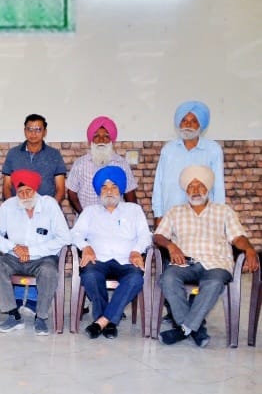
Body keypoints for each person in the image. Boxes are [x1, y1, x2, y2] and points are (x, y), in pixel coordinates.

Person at [155, 165, 258, 347]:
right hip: (185, 263)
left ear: (208, 188)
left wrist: (249, 249)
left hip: (216, 263)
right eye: (191, 186)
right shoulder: (175, 212)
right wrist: (171, 245)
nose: (195, 190)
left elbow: (238, 237)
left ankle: (184, 329)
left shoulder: (224, 211)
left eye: (200, 185)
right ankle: (195, 329)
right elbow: (158, 236)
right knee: (168, 278)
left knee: (214, 282)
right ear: (186, 190)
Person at [71, 166, 150, 339]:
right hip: (98, 260)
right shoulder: (90, 211)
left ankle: (101, 322)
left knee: (136, 279)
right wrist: (85, 247)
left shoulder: (134, 210)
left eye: (113, 187)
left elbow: (145, 235)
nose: (109, 191)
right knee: (90, 275)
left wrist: (137, 251)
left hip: (127, 260)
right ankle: (110, 322)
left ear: (120, 190)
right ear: (99, 191)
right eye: (104, 187)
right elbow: (75, 234)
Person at [0, 170, 70, 335]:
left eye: (28, 191)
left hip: (42, 258)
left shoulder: (49, 205)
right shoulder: (8, 206)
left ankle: (41, 317)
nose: (25, 196)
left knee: (49, 270)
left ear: (35, 189)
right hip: (14, 257)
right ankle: (13, 315)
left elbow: (65, 238)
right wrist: (14, 247)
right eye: (20, 192)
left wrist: (31, 251)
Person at [152, 101, 225, 220]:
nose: (188, 125)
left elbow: (218, 187)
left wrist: (219, 216)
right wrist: (158, 215)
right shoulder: (168, 150)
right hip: (172, 216)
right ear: (179, 124)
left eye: (193, 121)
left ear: (200, 125)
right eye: (184, 120)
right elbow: (158, 185)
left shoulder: (213, 150)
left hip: (204, 217)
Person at [66, 116, 139, 215]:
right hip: (88, 221)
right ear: (91, 140)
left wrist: (132, 217)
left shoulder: (121, 163)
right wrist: (84, 215)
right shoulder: (80, 164)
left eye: (106, 136)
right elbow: (71, 193)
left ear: (111, 140)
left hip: (115, 220)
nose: (101, 140)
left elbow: (130, 195)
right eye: (96, 136)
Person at [1, 114, 67, 203]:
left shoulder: (54, 154)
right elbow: (7, 186)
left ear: (45, 132)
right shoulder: (13, 154)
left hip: (46, 208)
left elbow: (60, 189)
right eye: (30, 129)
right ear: (24, 131)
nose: (33, 133)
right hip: (18, 207)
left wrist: (50, 208)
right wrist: (12, 207)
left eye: (38, 129)